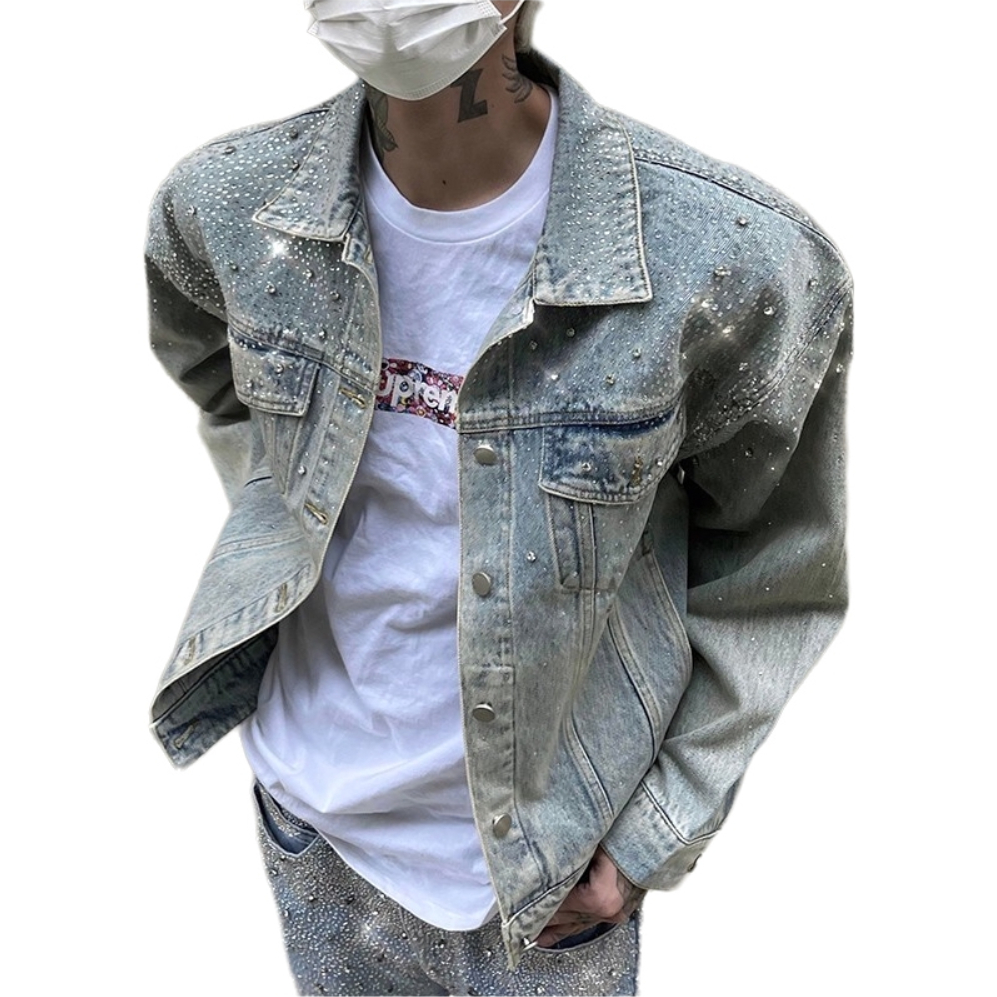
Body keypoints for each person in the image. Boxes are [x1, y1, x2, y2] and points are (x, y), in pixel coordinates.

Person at [145, 2, 852, 994]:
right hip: (310, 820)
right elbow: (219, 378)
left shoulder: (728, 261)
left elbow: (776, 566)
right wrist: (286, 514)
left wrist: (652, 832)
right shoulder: (227, 207)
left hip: (550, 877)